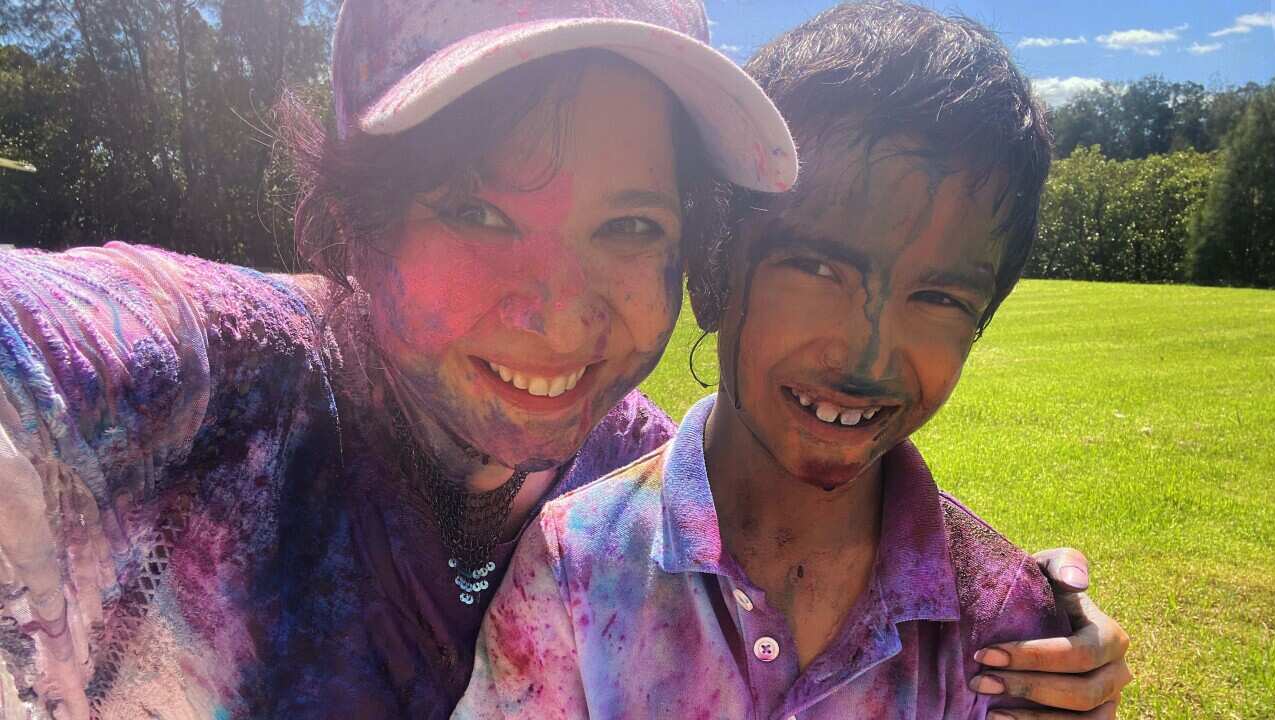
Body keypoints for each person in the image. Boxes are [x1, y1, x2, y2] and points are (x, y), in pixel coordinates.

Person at [0, 1, 1125, 719]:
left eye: (630, 225)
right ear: (358, 217)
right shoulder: (198, 376)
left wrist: (1027, 617)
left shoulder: (614, 466)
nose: (556, 315)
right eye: (479, 210)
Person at [453, 3, 1130, 719]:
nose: (864, 355)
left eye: (936, 297)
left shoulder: (1002, 624)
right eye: (814, 268)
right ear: (714, 272)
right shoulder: (577, 566)